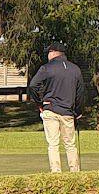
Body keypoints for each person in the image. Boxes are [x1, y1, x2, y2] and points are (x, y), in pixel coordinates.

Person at [27, 45, 84, 173]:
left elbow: (32, 86)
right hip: (68, 112)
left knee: (53, 144)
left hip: (50, 109)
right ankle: (75, 171)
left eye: (48, 53)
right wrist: (78, 111)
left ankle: (56, 172)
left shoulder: (46, 68)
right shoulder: (75, 69)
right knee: (70, 144)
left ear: (53, 53)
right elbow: (80, 93)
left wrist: (40, 103)